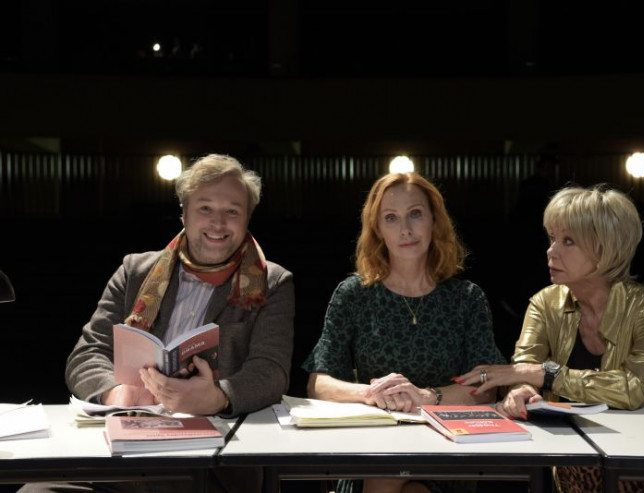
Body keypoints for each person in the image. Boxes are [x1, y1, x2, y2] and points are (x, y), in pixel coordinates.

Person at [21, 154, 295, 493]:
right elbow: (87, 354)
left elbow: (271, 371)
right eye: (205, 208)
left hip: (209, 455)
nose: (218, 223)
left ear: (248, 217)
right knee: (36, 490)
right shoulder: (134, 271)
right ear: (184, 212)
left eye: (232, 211)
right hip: (121, 443)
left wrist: (217, 397)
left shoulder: (273, 282)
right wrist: (116, 392)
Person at [457, 183, 644, 493]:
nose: (551, 251)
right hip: (576, 456)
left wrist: (545, 374)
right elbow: (523, 367)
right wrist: (521, 391)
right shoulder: (544, 302)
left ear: (604, 250)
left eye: (568, 241)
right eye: (552, 238)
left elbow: (632, 389)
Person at [302, 172, 506, 493]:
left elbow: (485, 388)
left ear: (434, 220)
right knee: (390, 470)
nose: (406, 229)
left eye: (415, 214)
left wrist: (425, 397)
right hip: (373, 444)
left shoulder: (466, 298)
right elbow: (319, 384)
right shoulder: (353, 295)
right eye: (391, 218)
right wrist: (373, 394)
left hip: (446, 445)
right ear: (378, 229)